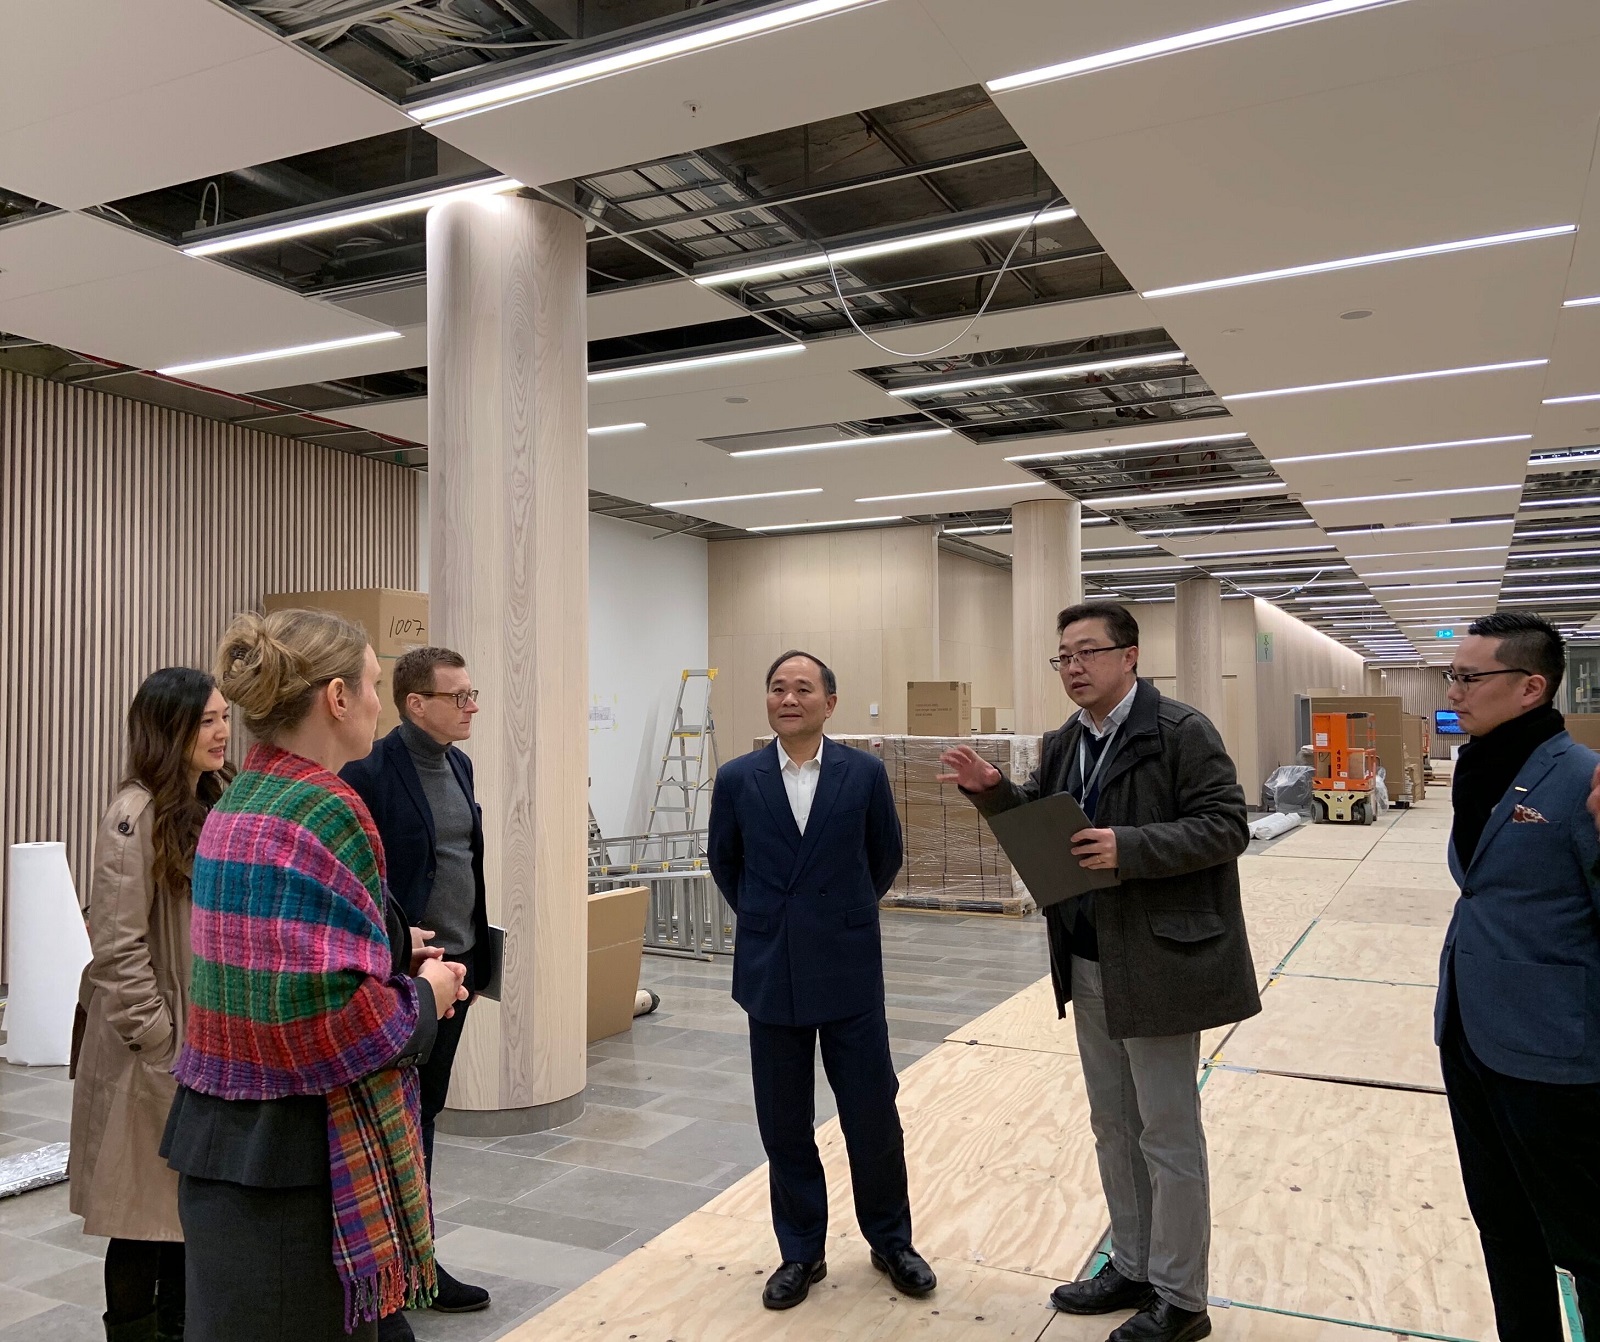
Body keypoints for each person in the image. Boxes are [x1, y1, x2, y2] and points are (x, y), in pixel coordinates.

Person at [939, 601, 1257, 1342]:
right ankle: (1134, 1265)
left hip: (1160, 959)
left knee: (1167, 1131)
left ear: (1130, 656)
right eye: (1064, 656)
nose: (1074, 667)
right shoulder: (1065, 742)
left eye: (1088, 652)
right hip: (1087, 955)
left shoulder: (1180, 732)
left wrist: (1130, 847)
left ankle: (1182, 1298)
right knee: (1114, 1124)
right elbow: (1049, 827)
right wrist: (994, 790)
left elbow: (1227, 826)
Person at [160, 609, 468, 1341]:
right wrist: (425, 995)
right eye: (371, 685)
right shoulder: (326, 806)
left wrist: (387, 954)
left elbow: (278, 962)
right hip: (295, 1163)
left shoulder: (245, 794)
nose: (378, 703)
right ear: (336, 697)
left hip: (229, 1139)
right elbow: (329, 1025)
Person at [707, 650, 936, 1310]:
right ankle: (801, 1251)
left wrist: (838, 914)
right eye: (777, 688)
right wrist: (770, 918)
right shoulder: (739, 778)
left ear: (829, 703)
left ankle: (891, 1241)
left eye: (803, 689)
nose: (788, 698)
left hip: (848, 967)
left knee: (872, 1113)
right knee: (784, 1122)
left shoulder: (862, 774)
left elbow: (884, 856)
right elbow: (726, 862)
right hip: (770, 970)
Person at [1437, 612, 1599, 1340]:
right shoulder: (1476, 770)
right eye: (1454, 676)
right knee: (1504, 1228)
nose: (1454, 693)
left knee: (1587, 1241)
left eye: (1470, 678)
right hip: (1470, 1033)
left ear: (1531, 687)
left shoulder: (1582, 779)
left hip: (1555, 1051)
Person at [69, 668, 232, 1342]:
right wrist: (161, 1041)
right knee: (141, 1217)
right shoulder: (133, 816)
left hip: (201, 1037)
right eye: (206, 721)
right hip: (152, 1050)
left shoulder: (215, 799)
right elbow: (117, 948)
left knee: (185, 1214)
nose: (222, 732)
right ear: (170, 730)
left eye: (225, 717)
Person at [342, 646, 494, 1327]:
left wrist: (471, 959)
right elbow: (365, 883)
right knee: (398, 1122)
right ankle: (400, 1267)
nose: (471, 707)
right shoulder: (369, 774)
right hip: (402, 981)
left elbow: (462, 863)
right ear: (416, 704)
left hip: (456, 972)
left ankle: (417, 1262)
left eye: (471, 694)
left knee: (426, 1113)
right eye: (458, 697)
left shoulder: (458, 765)